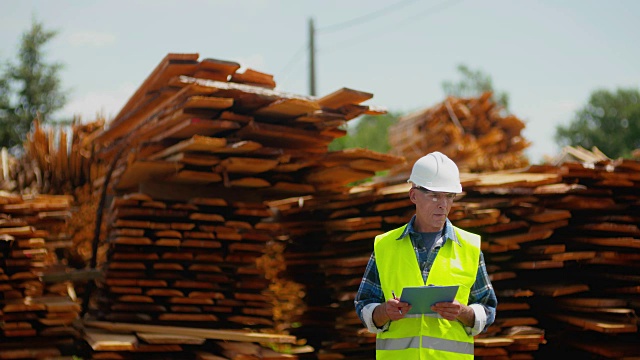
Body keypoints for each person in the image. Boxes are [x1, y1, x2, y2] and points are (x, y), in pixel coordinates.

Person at [354, 151, 497, 359]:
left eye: (449, 196)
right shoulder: (385, 246)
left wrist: (464, 313)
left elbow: (487, 308)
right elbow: (364, 304)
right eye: (434, 195)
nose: (443, 204)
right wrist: (384, 312)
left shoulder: (470, 247)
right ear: (413, 195)